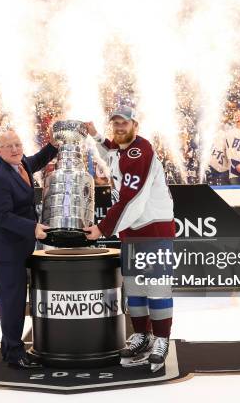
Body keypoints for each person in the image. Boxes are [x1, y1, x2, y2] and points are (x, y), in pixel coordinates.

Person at [83, 105, 175, 373]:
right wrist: (97, 137)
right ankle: (142, 335)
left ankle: (161, 340)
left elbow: (130, 198)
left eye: (124, 123)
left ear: (135, 124)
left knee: (156, 289)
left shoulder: (140, 151)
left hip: (154, 229)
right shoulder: (122, 149)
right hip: (134, 231)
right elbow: (111, 154)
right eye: (116, 124)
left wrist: (103, 228)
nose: (119, 128)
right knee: (135, 290)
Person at [0, 128, 58, 369]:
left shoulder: (20, 164)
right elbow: (2, 217)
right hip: (6, 250)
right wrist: (33, 228)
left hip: (21, 246)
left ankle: (9, 348)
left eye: (18, 144)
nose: (15, 149)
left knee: (16, 300)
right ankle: (15, 353)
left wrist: (54, 145)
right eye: (9, 146)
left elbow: (35, 161)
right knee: (12, 302)